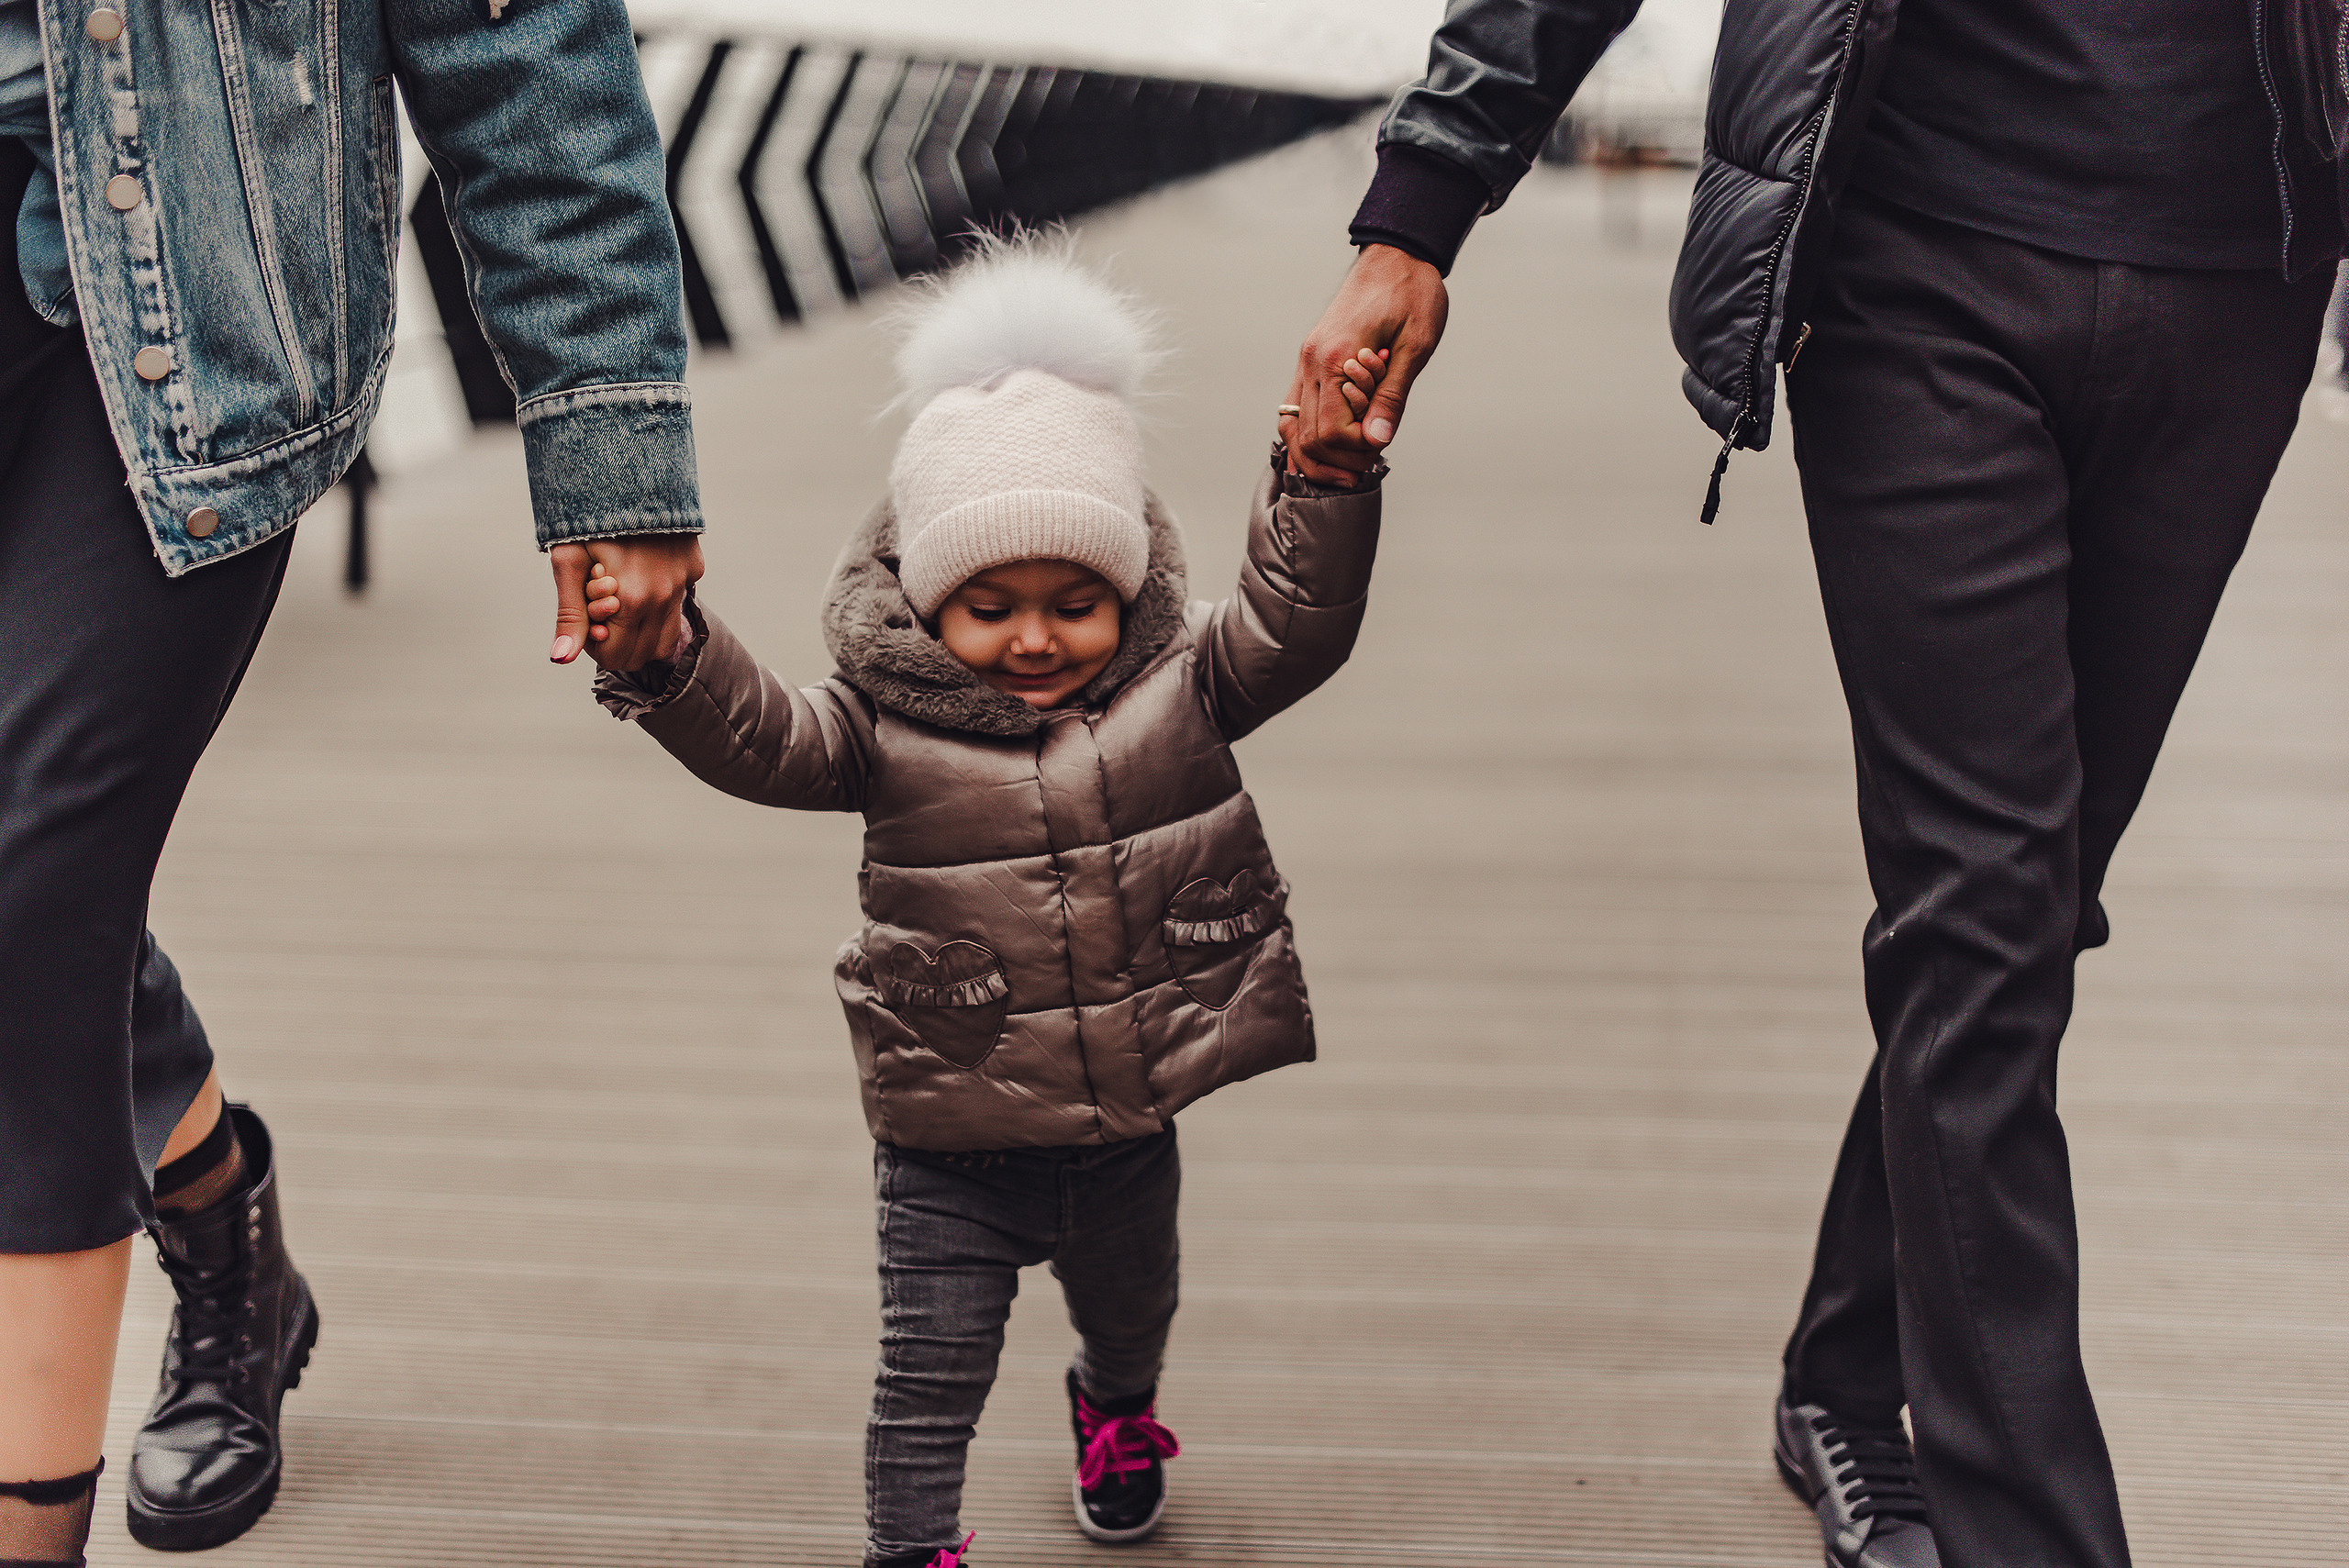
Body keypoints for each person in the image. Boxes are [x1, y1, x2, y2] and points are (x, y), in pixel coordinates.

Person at [1285, 5, 2344, 1568]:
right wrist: (1420, 210)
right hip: (1916, 253)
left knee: (2020, 914)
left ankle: (1848, 1373)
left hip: (2238, 272)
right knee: (1982, 912)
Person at [0, 0, 701, 1560]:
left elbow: (513, 37)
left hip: (175, 307)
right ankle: (226, 1223)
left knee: (30, 901)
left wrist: (610, 437)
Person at [588, 240, 1387, 1568]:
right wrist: (668, 659)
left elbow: (1296, 621)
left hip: (1129, 1123)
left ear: (1126, 584)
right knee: (925, 1381)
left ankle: (1113, 1409)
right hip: (948, 1133)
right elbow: (765, 739)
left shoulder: (1178, 689)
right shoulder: (879, 727)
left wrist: (1328, 475)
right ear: (922, 602)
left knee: (1135, 1313)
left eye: (1076, 601)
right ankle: (910, 1550)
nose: (1034, 636)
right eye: (990, 606)